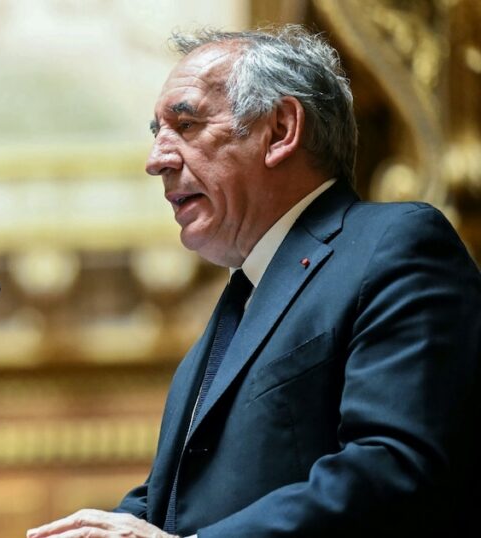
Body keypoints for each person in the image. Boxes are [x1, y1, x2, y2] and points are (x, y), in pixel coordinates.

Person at [28, 26, 480, 537]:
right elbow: (176, 503)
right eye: (157, 132)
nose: (157, 160)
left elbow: (396, 465)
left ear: (281, 130)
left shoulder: (393, 244)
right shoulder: (237, 304)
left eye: (187, 123)